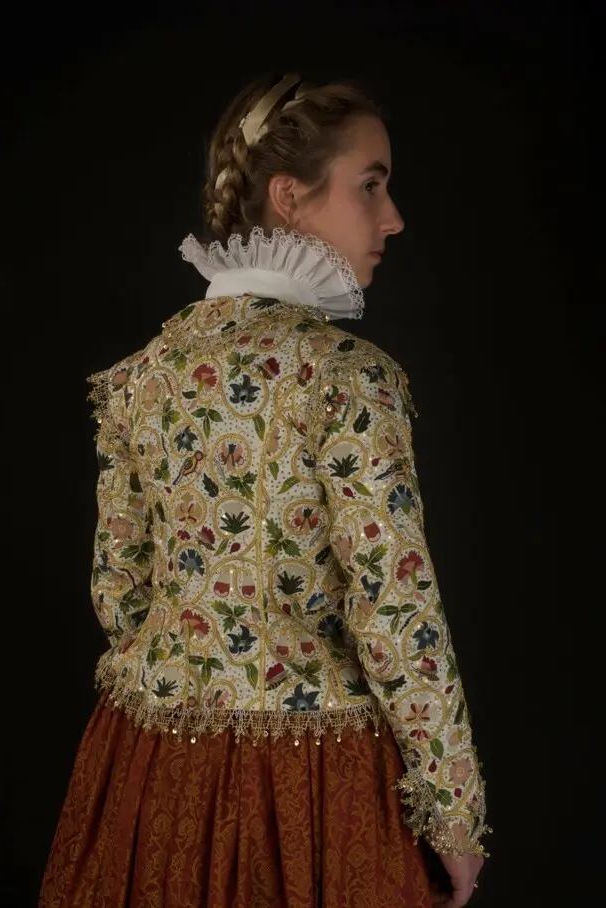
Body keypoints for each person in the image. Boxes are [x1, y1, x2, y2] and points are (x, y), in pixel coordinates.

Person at [39, 72, 491, 908]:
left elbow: (119, 589)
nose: (393, 217)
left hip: (152, 764)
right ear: (289, 197)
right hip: (313, 780)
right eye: (371, 185)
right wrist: (454, 813)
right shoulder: (349, 378)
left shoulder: (142, 376)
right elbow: (398, 613)